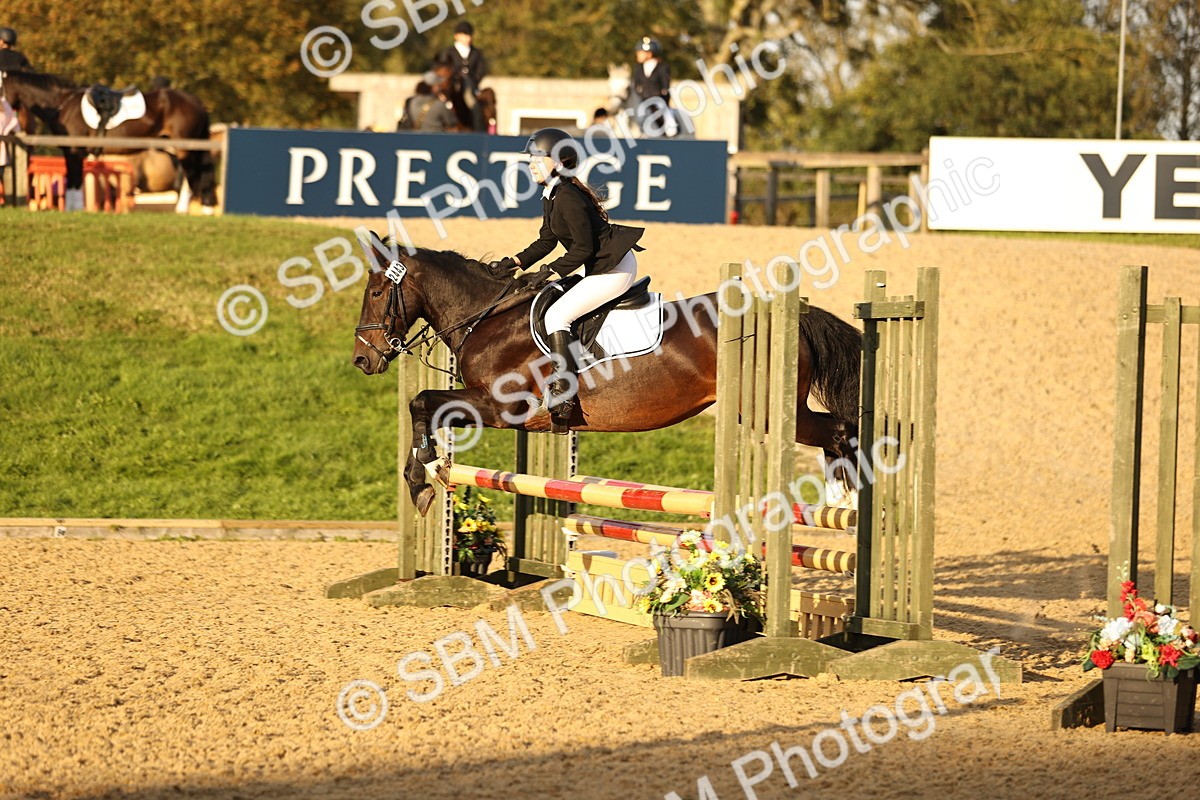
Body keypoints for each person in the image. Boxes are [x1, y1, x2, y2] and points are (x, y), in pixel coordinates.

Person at [486, 128, 644, 433]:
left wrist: (551, 271)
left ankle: (563, 393)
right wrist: (514, 263)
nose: (530, 163)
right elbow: (546, 241)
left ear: (557, 162)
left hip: (614, 268)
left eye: (537, 157)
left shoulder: (568, 197)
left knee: (557, 315)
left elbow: (583, 248)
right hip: (597, 266)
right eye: (530, 158)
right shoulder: (553, 194)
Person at [631, 36, 677, 137]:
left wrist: (660, 96)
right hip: (642, 100)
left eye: (640, 52)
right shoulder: (638, 68)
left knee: (665, 116)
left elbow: (665, 86)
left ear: (649, 54)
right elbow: (636, 85)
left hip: (657, 101)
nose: (637, 54)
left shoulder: (662, 67)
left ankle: (669, 129)